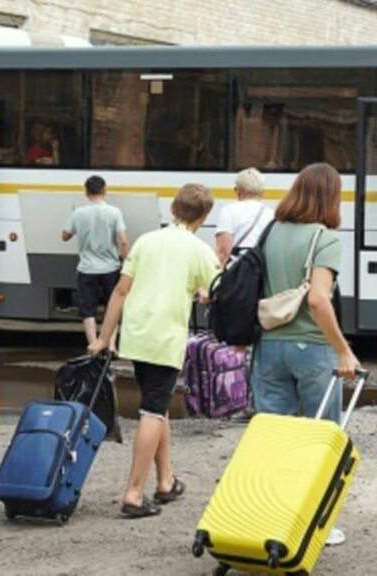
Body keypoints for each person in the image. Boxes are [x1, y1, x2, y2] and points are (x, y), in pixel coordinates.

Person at [88, 183, 221, 519]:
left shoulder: (146, 241)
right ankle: (133, 493)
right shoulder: (199, 250)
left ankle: (165, 481)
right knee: (151, 411)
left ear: (174, 209)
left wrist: (105, 338)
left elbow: (120, 291)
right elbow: (214, 292)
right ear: (203, 216)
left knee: (157, 406)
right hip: (165, 339)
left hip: (137, 336)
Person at [252, 163, 360, 546]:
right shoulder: (325, 237)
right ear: (330, 197)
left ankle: (272, 519)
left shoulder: (271, 232)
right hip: (312, 350)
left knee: (273, 439)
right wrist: (343, 350)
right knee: (320, 441)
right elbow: (317, 298)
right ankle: (318, 525)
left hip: (269, 346)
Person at [62, 175, 130, 347]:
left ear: (86, 192)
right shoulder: (114, 212)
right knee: (112, 306)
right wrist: (127, 260)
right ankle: (111, 345)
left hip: (86, 269)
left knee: (88, 309)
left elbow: (65, 236)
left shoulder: (78, 213)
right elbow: (122, 240)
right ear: (105, 191)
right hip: (111, 268)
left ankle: (93, 344)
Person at [214, 167, 274, 266]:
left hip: (237, 271)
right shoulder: (271, 214)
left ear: (237, 191)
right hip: (260, 270)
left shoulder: (229, 210)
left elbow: (223, 251)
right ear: (262, 192)